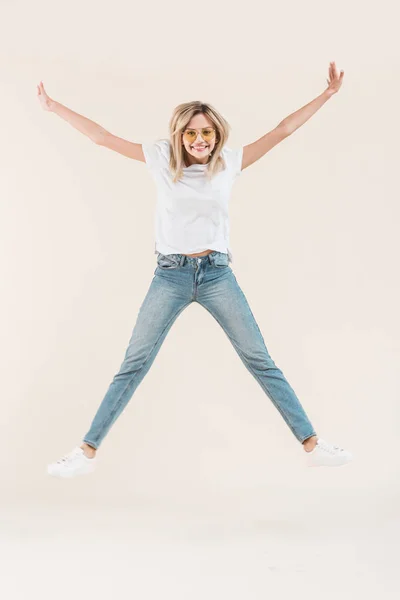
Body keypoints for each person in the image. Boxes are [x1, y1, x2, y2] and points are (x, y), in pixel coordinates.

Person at [38, 62, 352, 478]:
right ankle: (85, 452)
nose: (200, 139)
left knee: (259, 359)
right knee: (134, 363)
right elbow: (101, 137)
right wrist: (53, 106)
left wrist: (327, 95)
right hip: (170, 276)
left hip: (218, 275)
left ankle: (313, 445)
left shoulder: (230, 164)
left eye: (206, 132)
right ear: (179, 135)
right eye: (191, 132)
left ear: (216, 135)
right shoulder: (159, 159)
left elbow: (282, 130)